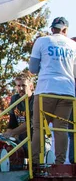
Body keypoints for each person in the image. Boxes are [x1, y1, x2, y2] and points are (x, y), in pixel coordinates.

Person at [29, 17, 76, 165]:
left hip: (46, 89)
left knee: (39, 128)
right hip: (68, 91)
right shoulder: (73, 45)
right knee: (61, 128)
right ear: (65, 30)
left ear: (52, 29)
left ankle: (35, 162)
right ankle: (60, 163)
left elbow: (32, 69)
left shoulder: (42, 41)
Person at [3, 73, 34, 142]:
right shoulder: (15, 99)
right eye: (18, 86)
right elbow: (12, 122)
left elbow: (31, 122)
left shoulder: (36, 99)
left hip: (36, 139)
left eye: (24, 85)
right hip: (21, 138)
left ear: (31, 86)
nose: (21, 88)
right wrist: (7, 139)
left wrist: (11, 133)